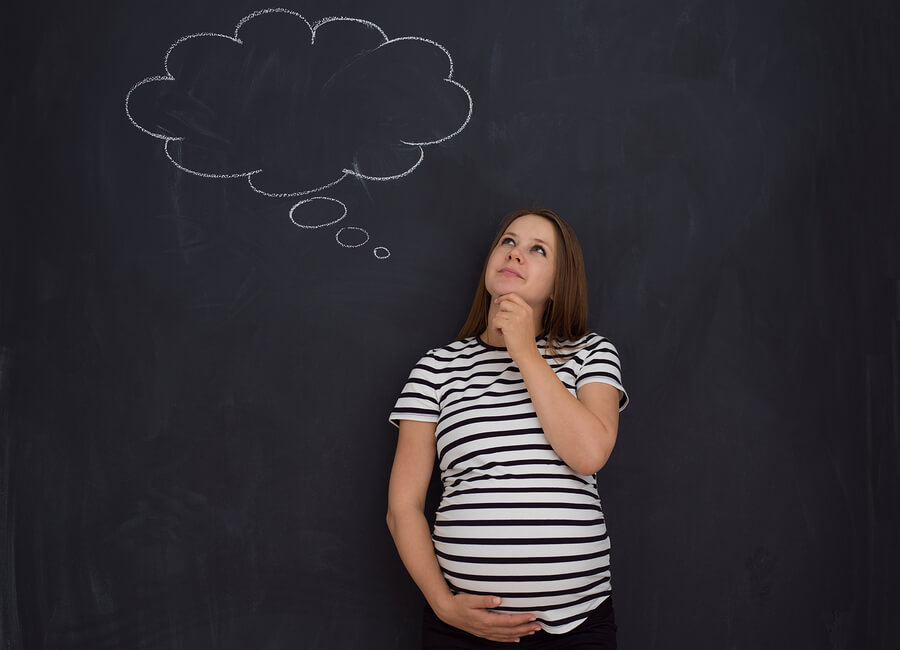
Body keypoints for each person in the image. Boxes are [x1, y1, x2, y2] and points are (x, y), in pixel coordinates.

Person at [386, 208, 629, 648]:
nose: (516, 254)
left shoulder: (591, 353)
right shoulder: (435, 368)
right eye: (509, 242)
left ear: (558, 286)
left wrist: (525, 351)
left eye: (538, 250)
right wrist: (443, 605)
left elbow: (589, 454)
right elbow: (403, 507)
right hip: (461, 628)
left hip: (578, 627)